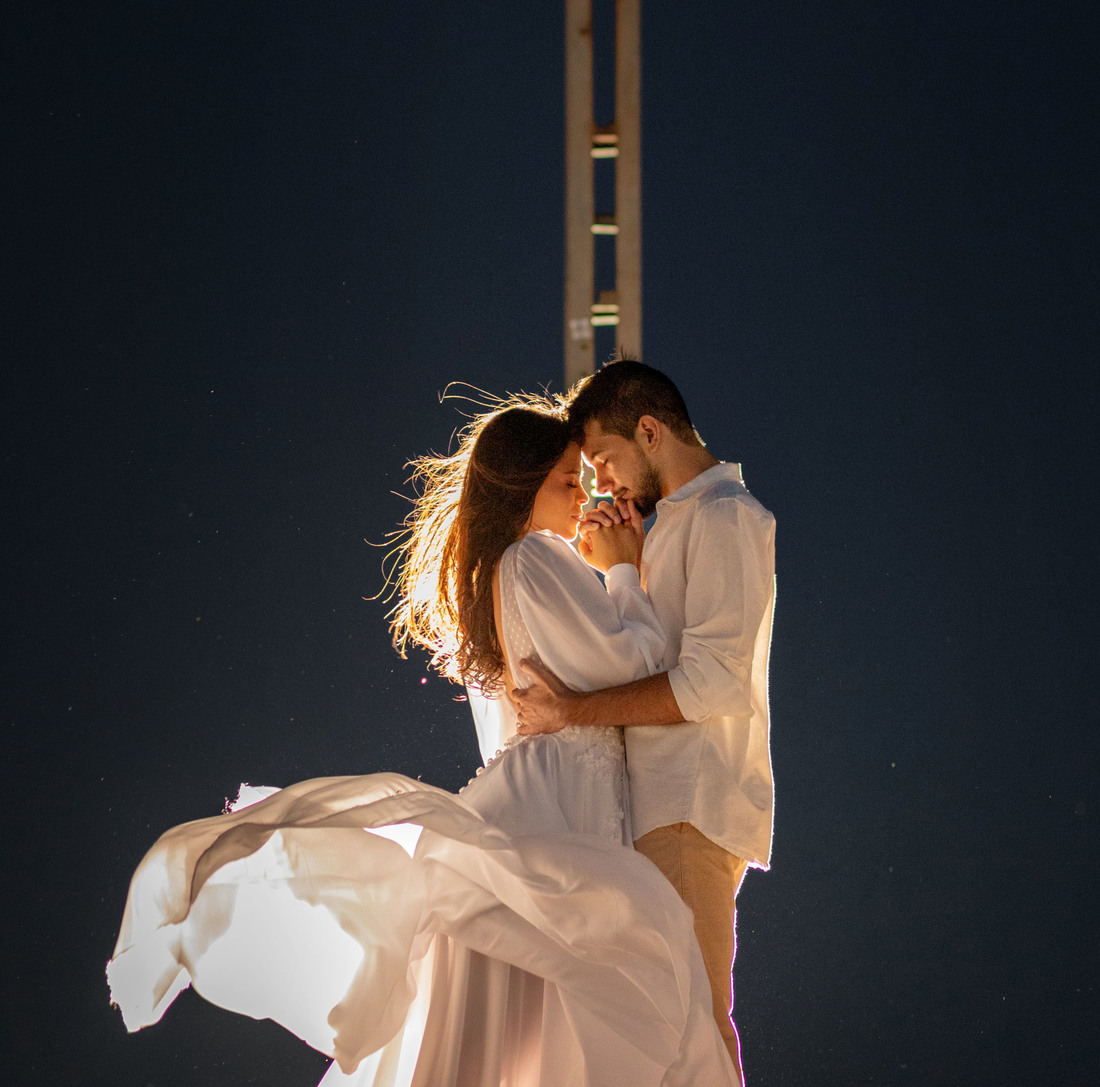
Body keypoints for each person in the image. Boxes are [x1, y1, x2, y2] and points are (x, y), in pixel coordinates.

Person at [107, 398, 738, 1087]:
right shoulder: (534, 556)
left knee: (524, 1012)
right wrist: (623, 567)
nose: (579, 497)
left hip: (555, 799)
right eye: (566, 480)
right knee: (564, 991)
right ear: (524, 488)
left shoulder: (517, 566)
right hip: (555, 806)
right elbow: (634, 662)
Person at [513, 361, 776, 1084]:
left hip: (687, 808)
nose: (603, 484)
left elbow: (714, 681)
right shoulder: (674, 526)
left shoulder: (727, 517)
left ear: (651, 431)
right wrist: (621, 570)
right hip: (660, 810)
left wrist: (570, 711)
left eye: (604, 461)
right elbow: (641, 658)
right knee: (665, 1027)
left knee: (692, 1024)